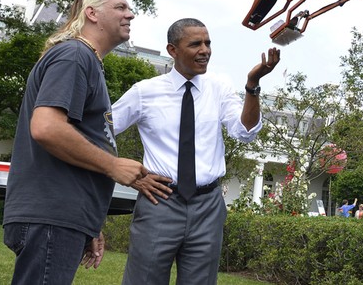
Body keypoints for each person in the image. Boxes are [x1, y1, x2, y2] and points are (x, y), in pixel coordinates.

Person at [112, 18, 279, 285]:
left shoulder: (219, 89)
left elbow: (245, 132)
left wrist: (252, 84)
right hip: (160, 202)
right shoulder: (145, 92)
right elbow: (101, 130)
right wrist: (127, 174)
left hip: (207, 207)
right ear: (173, 50)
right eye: (195, 44)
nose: (205, 50)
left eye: (208, 43)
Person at [3, 0, 148, 284]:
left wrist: (87, 221)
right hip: (51, 215)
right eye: (120, 7)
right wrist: (113, 165)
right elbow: (47, 127)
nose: (130, 14)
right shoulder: (74, 55)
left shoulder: (84, 59)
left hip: (63, 215)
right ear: (92, 13)